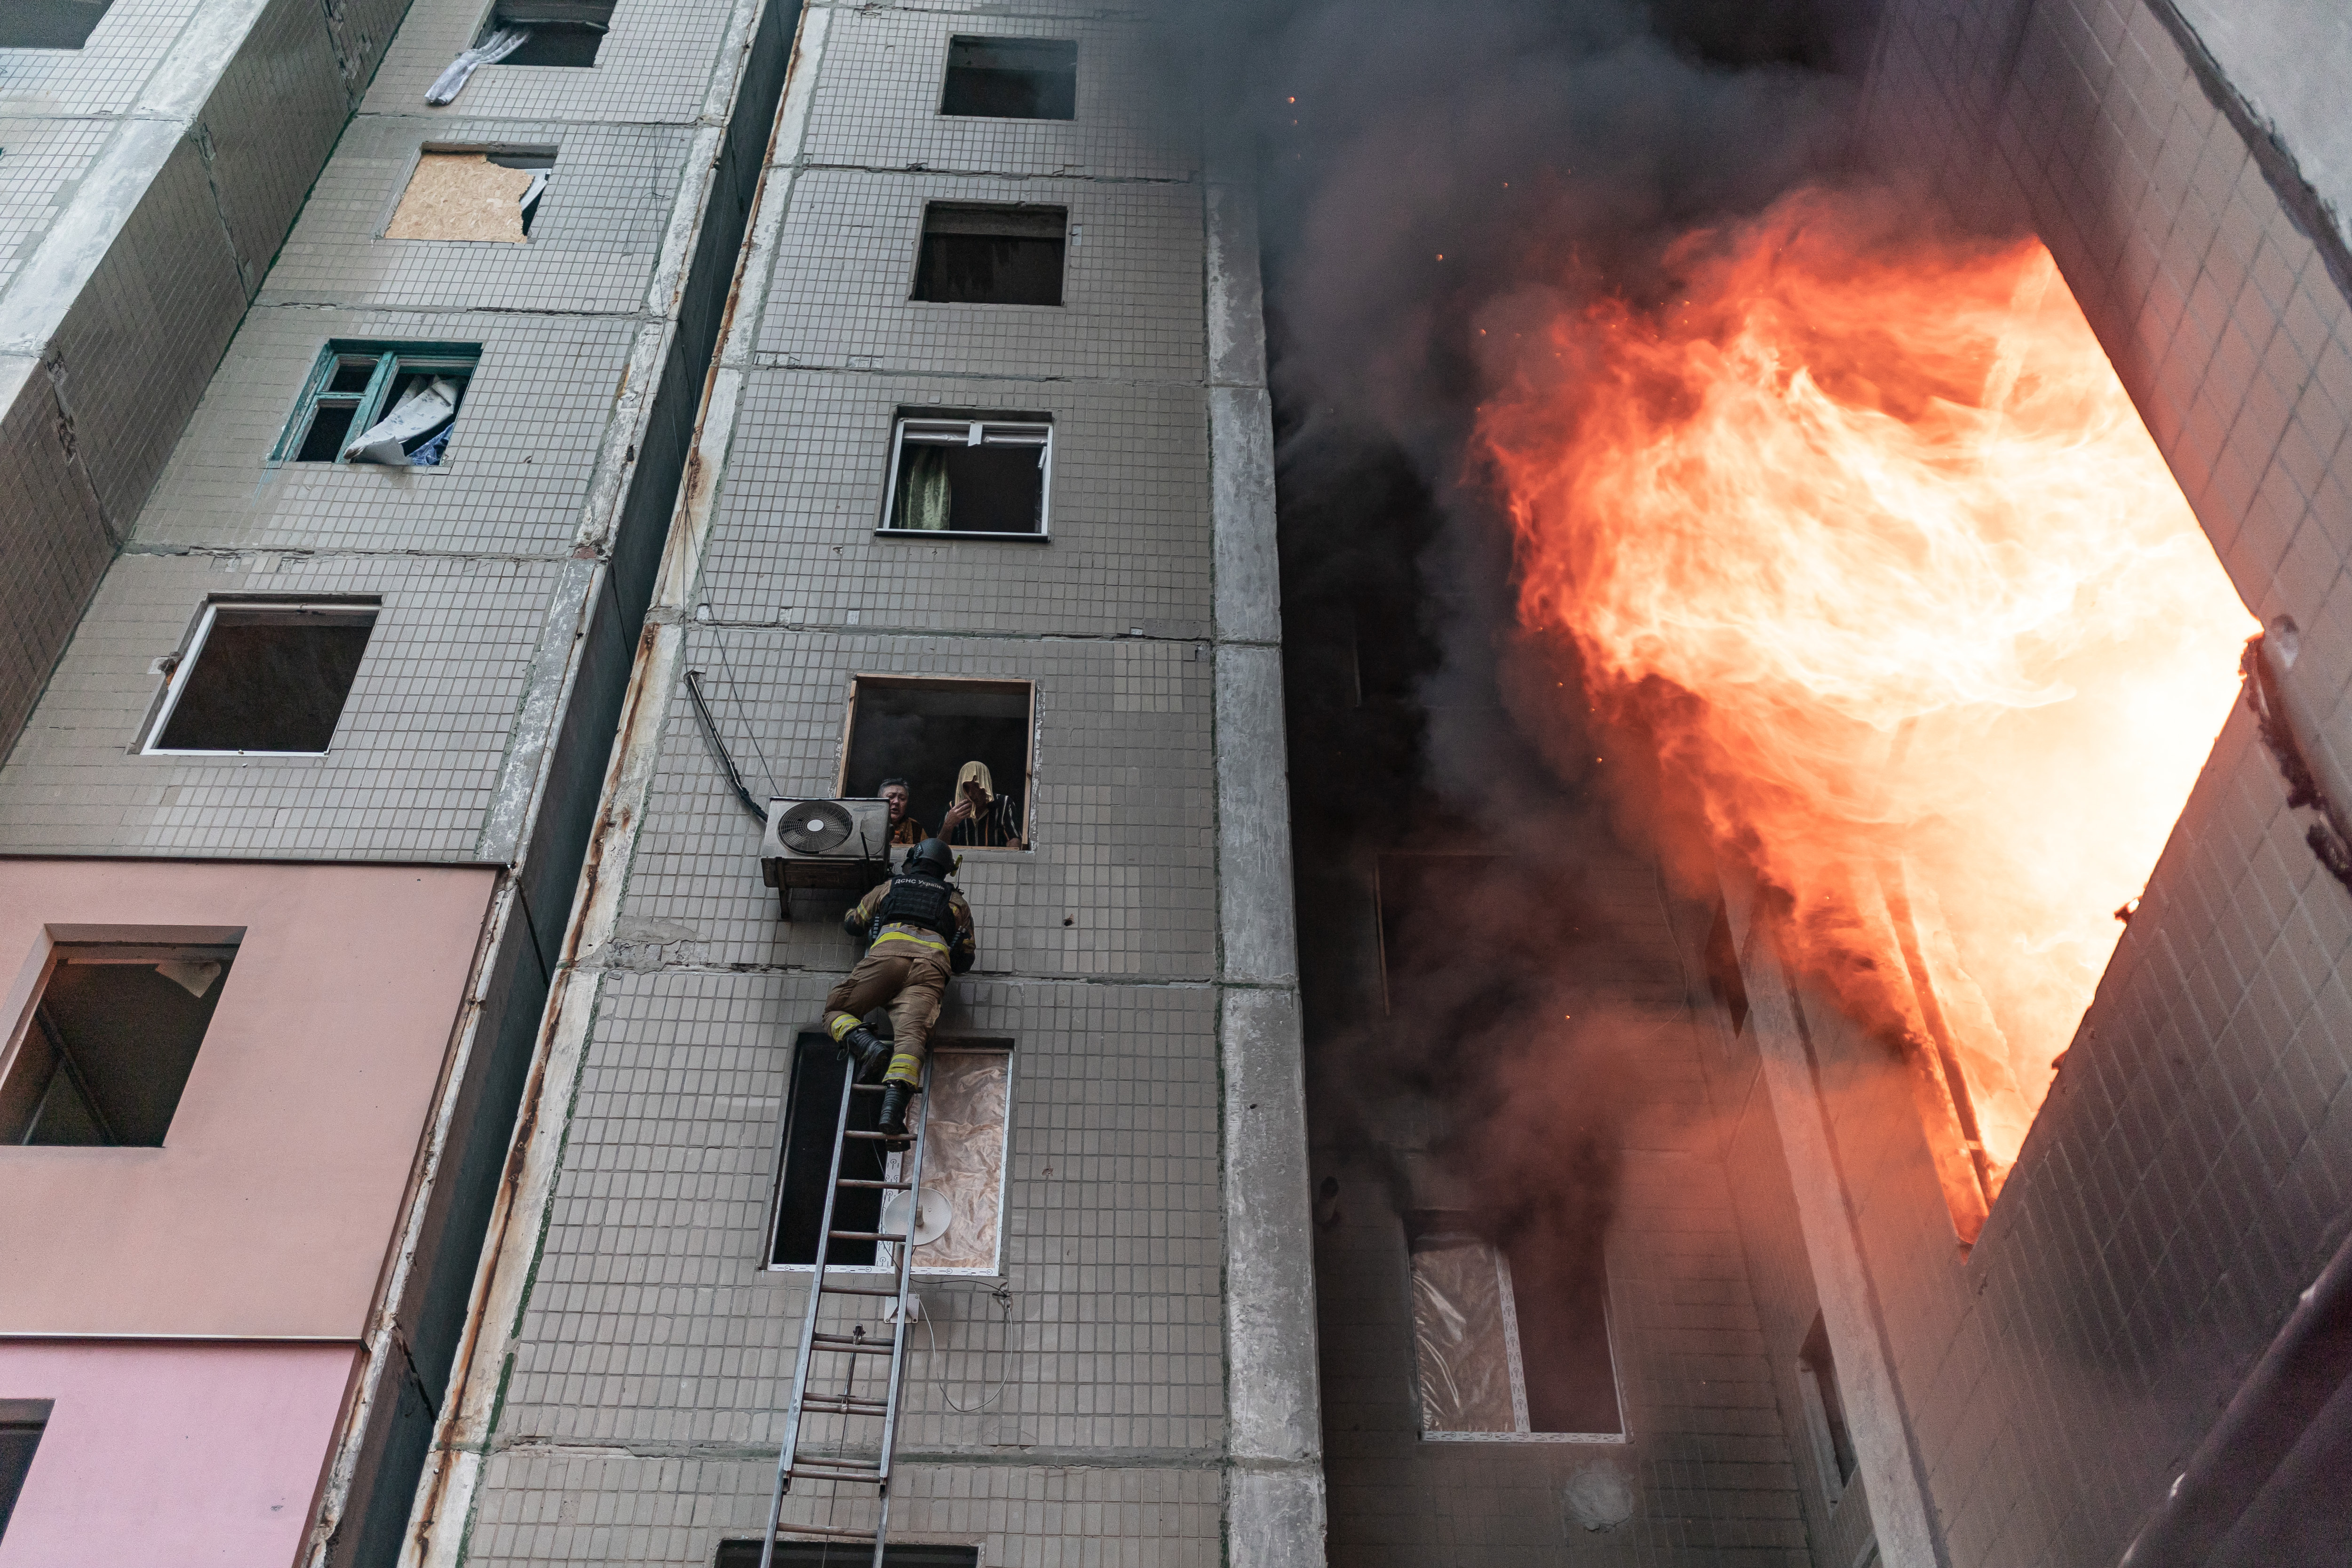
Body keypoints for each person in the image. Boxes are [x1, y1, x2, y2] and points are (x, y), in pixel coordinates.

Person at [826, 838, 977, 1138]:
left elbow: (854, 924)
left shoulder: (891, 886)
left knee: (837, 1009)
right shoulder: (957, 902)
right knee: (911, 1042)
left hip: (888, 959)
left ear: (914, 858)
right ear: (947, 869)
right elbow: (965, 961)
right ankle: (892, 1113)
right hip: (931, 970)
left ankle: (870, 1047)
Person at [941, 760, 1024, 849]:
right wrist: (948, 825)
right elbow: (939, 849)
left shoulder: (1003, 804)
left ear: (986, 784)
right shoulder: (954, 807)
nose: (971, 794)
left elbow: (1014, 841)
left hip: (995, 861)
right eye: (966, 787)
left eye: (976, 786)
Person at [880, 776, 926, 846]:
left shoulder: (916, 828)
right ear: (879, 801)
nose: (896, 802)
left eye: (902, 798)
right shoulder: (868, 824)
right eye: (891, 797)